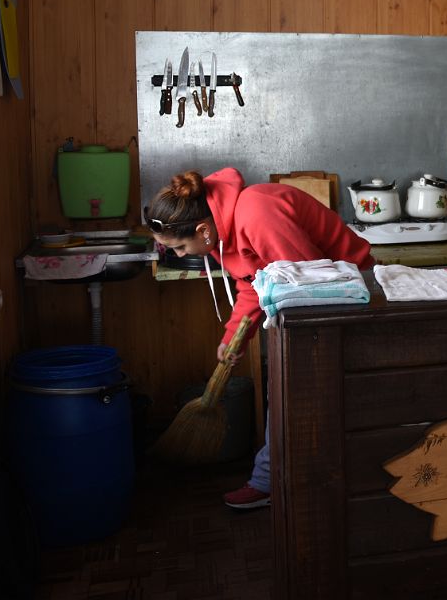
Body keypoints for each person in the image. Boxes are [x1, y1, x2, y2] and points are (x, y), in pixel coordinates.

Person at [146, 167, 375, 509]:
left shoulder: (256, 213)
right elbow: (255, 283)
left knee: (294, 387)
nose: (181, 256)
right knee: (284, 387)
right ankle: (273, 481)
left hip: (350, 293)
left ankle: (309, 486)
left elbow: (306, 281)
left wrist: (294, 355)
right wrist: (233, 337)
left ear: (202, 230)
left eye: (180, 247)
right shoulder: (221, 234)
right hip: (317, 295)